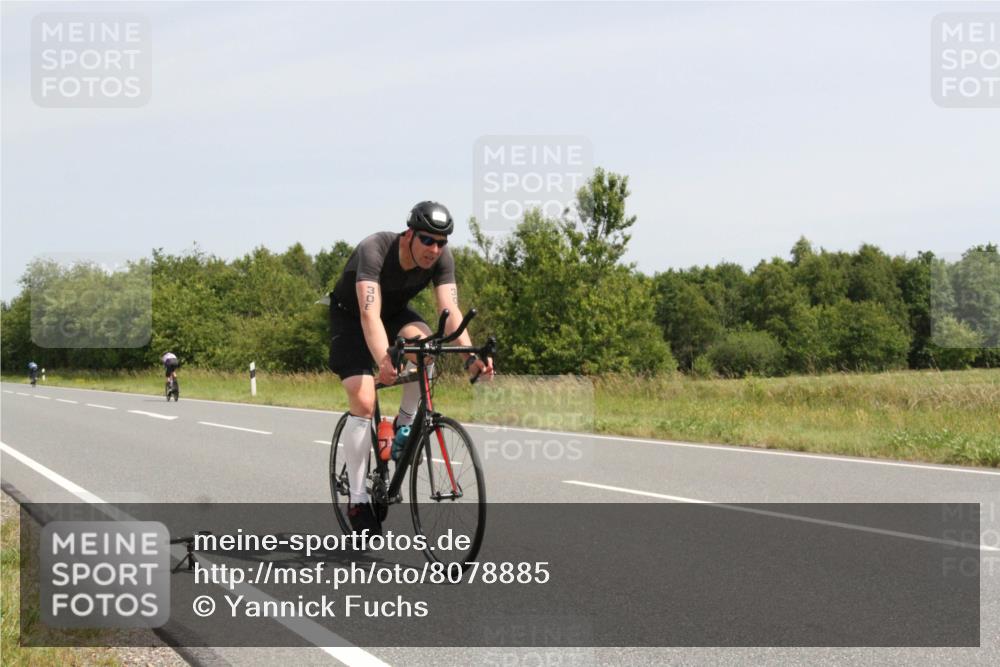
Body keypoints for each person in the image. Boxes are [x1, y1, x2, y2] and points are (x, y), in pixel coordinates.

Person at [328, 201, 494, 536]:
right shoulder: (374, 249)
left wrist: (469, 358)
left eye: (441, 241)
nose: (435, 249)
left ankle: (403, 431)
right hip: (352, 317)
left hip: (396, 314)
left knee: (427, 349)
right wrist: (383, 360)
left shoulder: (442, 258)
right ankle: (358, 499)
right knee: (363, 400)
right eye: (427, 240)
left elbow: (450, 309)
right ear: (409, 235)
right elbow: (368, 315)